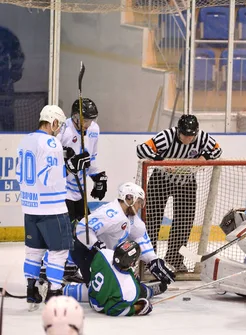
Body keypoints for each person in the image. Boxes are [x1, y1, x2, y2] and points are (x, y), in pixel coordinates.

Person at [17, 105, 90, 311]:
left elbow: (19, 173)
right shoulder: (51, 142)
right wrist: (70, 167)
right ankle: (54, 292)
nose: (59, 131)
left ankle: (31, 290)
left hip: (30, 208)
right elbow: (50, 177)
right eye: (59, 125)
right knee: (59, 252)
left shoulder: (25, 141)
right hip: (52, 209)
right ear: (53, 122)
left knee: (33, 251)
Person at [136, 114, 222, 274]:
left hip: (186, 182)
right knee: (152, 220)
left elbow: (217, 150)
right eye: (185, 135)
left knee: (184, 222)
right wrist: (161, 160)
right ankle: (150, 259)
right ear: (178, 131)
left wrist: (205, 157)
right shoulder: (166, 137)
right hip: (161, 179)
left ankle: (175, 258)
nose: (188, 139)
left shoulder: (202, 138)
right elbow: (141, 150)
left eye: (191, 136)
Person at [70, 182, 175, 287]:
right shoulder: (111, 215)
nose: (140, 206)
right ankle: (69, 290)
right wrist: (95, 244)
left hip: (105, 255)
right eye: (139, 202)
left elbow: (139, 235)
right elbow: (83, 227)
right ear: (129, 199)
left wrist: (152, 260)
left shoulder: (129, 216)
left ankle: (143, 291)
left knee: (131, 284)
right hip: (86, 253)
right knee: (103, 291)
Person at [53, 98, 106, 282]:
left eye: (90, 120)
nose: (87, 124)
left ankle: (72, 266)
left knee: (84, 229)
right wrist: (68, 164)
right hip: (63, 191)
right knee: (64, 232)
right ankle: (52, 269)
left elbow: (90, 160)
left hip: (80, 191)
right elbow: (52, 165)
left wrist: (98, 177)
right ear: (74, 117)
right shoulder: (63, 130)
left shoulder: (94, 130)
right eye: (85, 120)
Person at [63, 240, 163, 317]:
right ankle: (150, 292)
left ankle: (61, 290)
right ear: (131, 262)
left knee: (69, 291)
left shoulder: (104, 254)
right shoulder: (129, 288)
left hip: (92, 293)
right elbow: (112, 310)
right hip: (101, 306)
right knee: (139, 289)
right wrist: (137, 308)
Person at [0, 26, 24, 131]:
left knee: (7, 119)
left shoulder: (5, 34)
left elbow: (17, 53)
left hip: (4, 85)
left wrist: (15, 71)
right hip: (5, 83)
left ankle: (9, 139)